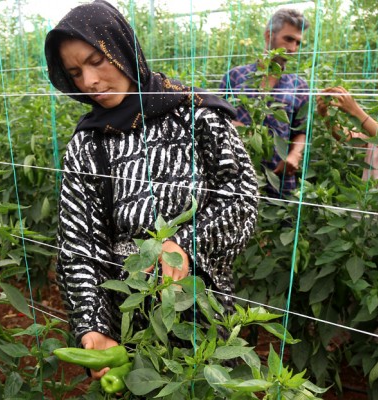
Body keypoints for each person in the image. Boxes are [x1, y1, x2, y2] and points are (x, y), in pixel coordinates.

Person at [44, 0, 259, 379]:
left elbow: (240, 197)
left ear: (122, 48)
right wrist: (93, 323)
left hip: (202, 304)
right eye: (75, 72)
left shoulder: (195, 115)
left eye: (97, 61)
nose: (89, 82)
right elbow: (78, 240)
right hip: (126, 314)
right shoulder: (88, 143)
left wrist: (184, 245)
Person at [220, 9, 310, 198]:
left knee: (281, 223)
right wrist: (238, 128)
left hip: (280, 177)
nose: (293, 48)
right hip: (237, 175)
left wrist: (294, 156)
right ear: (269, 35)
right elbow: (217, 118)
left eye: (298, 43)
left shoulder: (299, 86)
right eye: (288, 39)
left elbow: (301, 130)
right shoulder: (235, 77)